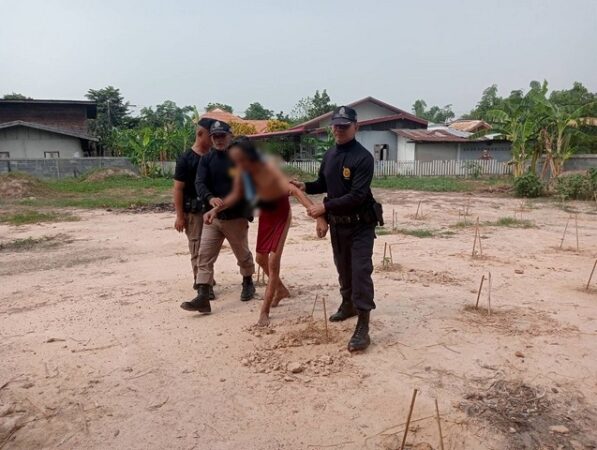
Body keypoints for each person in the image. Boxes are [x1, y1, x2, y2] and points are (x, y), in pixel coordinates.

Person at [204, 137, 328, 326]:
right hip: (266, 217)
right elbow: (235, 196)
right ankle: (281, 290)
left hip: (281, 216)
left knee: (272, 262)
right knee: (260, 259)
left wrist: (318, 217)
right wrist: (214, 210)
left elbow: (295, 191)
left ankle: (265, 311)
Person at [291, 106, 382, 352]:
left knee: (360, 271)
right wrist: (306, 186)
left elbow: (357, 195)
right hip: (339, 225)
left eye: (344, 126)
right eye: (336, 125)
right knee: (343, 268)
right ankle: (347, 304)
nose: (339, 130)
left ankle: (363, 325)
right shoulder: (330, 155)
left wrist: (324, 207)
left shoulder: (363, 158)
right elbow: (324, 183)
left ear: (356, 127)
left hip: (361, 224)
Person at [180, 120, 256, 313]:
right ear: (211, 138)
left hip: (235, 216)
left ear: (230, 136)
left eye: (222, 135)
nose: (219, 140)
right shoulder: (206, 159)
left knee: (242, 255)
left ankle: (248, 281)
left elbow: (239, 191)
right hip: (212, 219)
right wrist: (209, 198)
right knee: (204, 256)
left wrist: (216, 207)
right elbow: (199, 182)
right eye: (215, 136)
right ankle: (203, 296)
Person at [173, 117, 216, 303]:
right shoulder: (186, 159)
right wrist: (179, 216)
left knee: (210, 248)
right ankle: (202, 285)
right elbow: (178, 189)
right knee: (197, 248)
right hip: (194, 212)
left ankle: (206, 280)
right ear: (200, 134)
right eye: (210, 135)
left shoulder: (214, 156)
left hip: (212, 210)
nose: (214, 138)